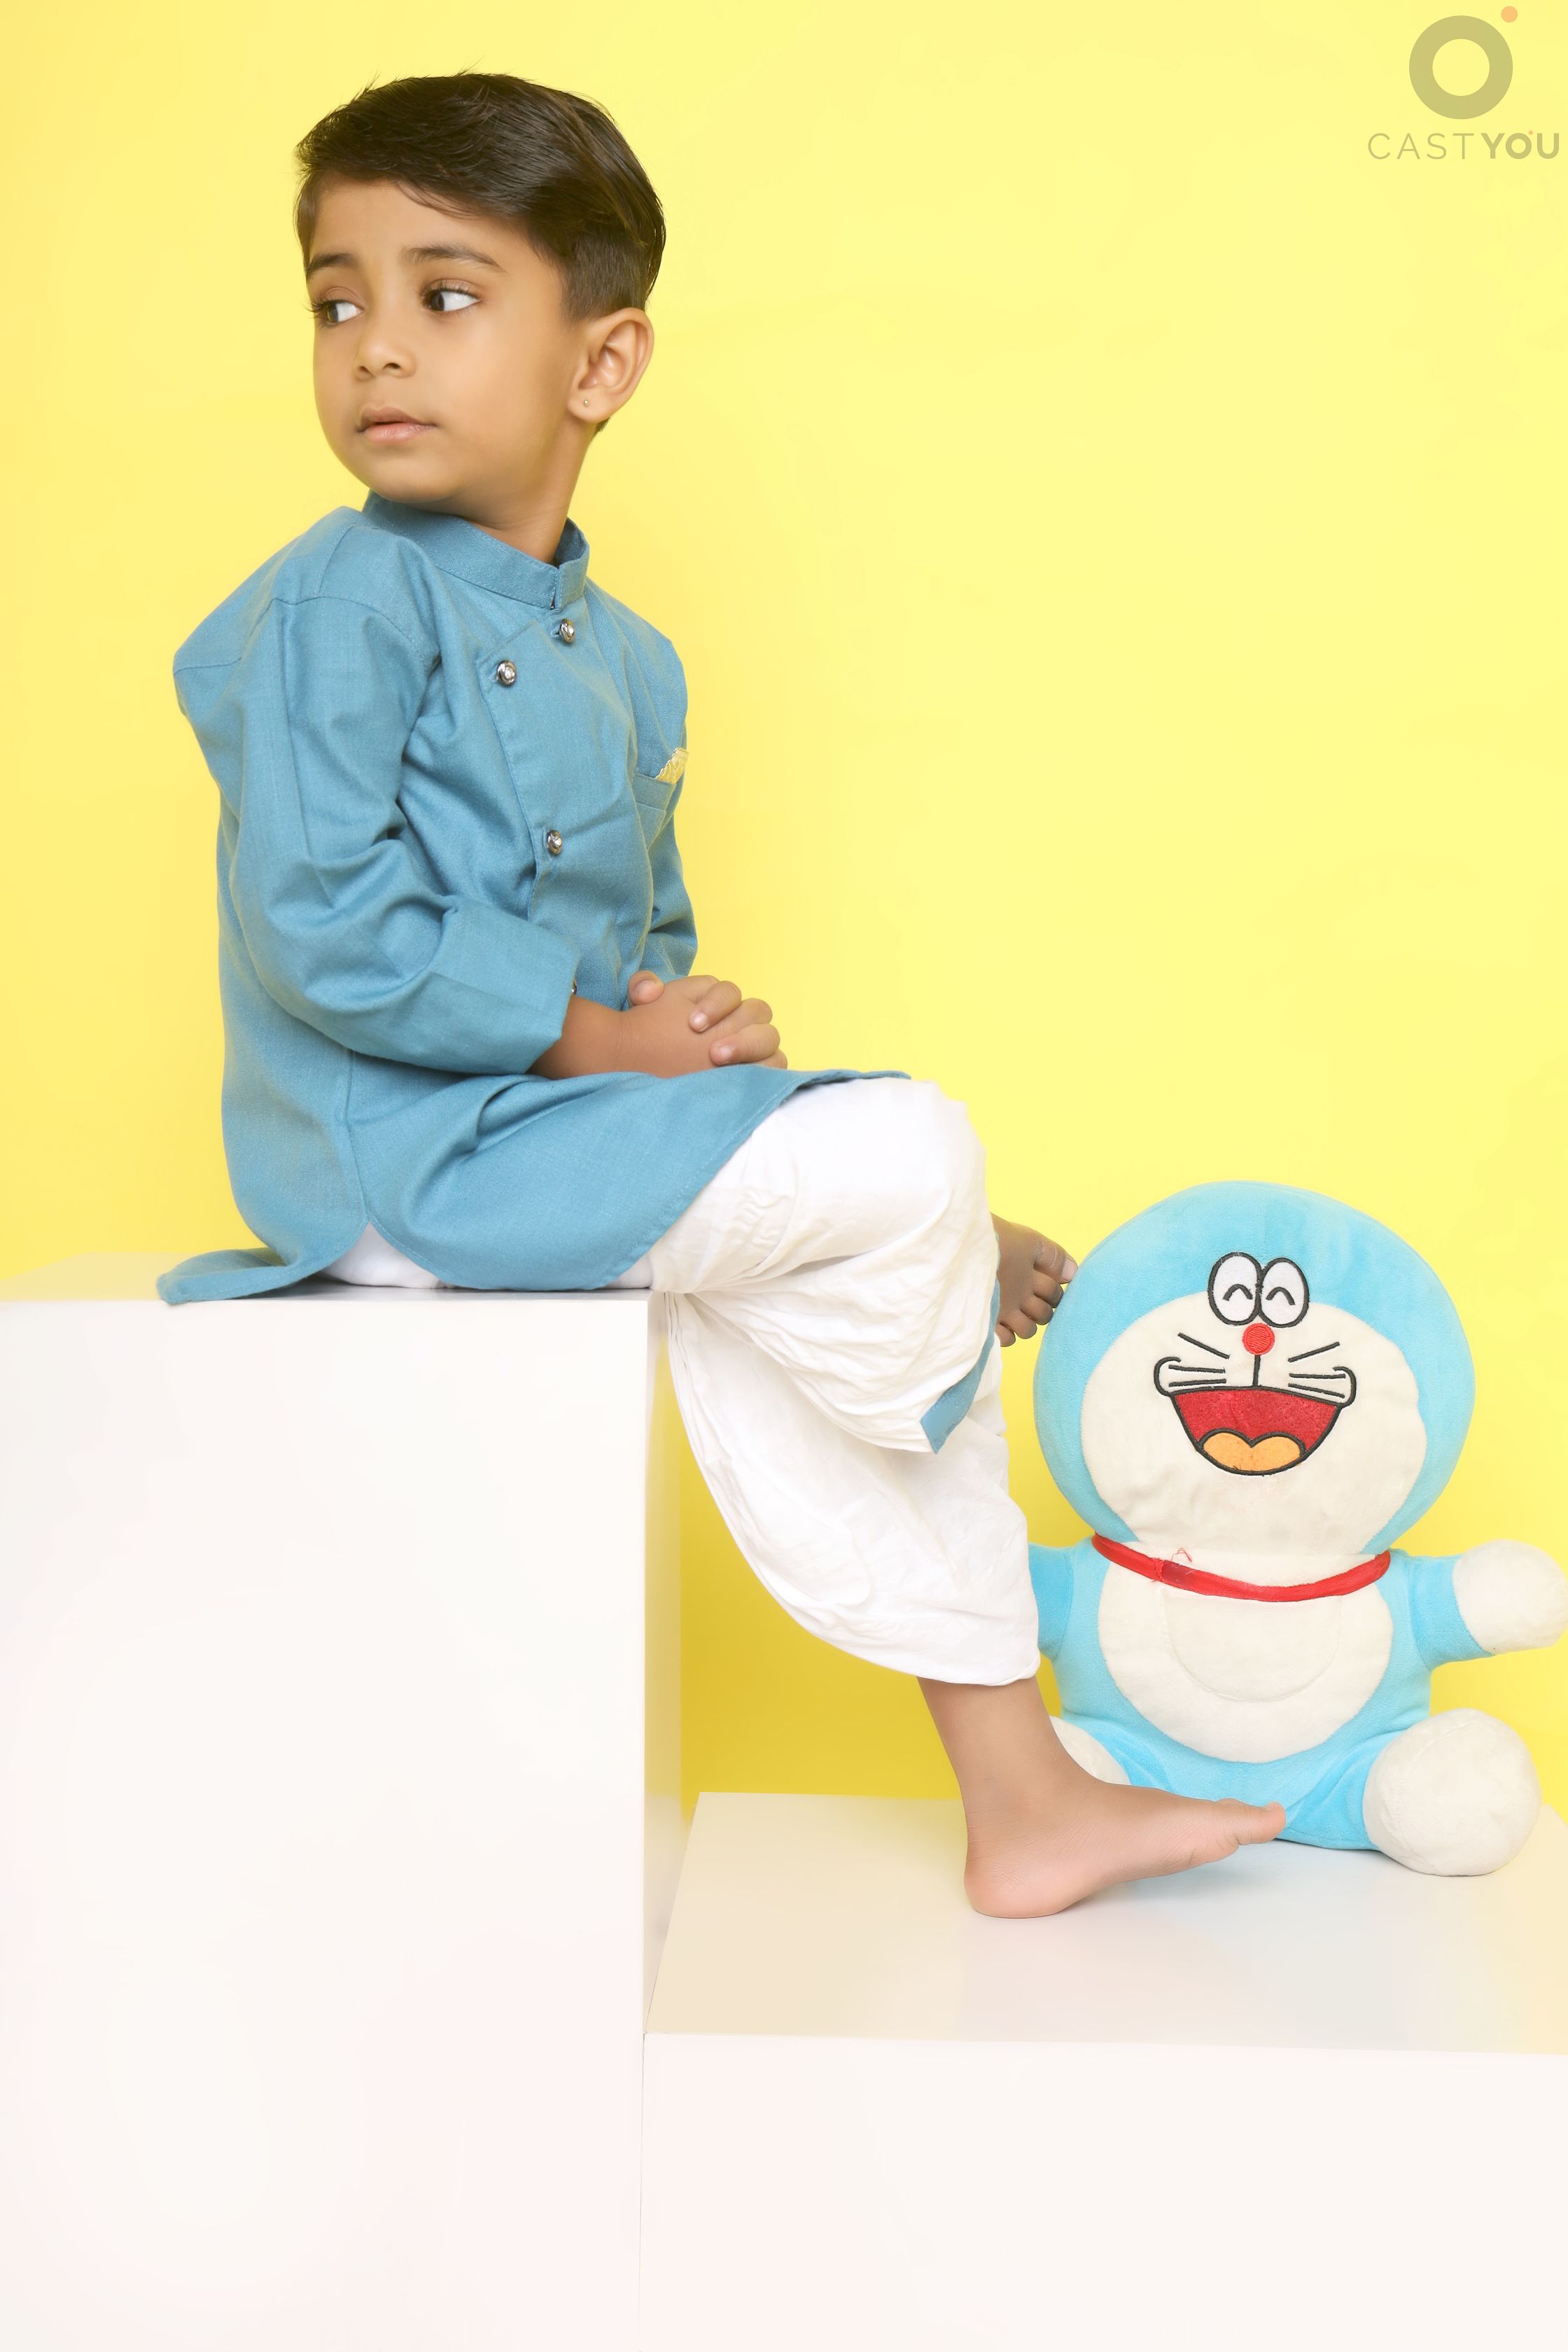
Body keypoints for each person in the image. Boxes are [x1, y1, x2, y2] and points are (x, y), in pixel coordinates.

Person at [160, 71, 1283, 1913]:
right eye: (336, 299)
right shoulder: (333, 606)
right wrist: (614, 1040)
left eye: (446, 294)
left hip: (548, 1133)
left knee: (873, 1182)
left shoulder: (635, 663)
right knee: (910, 1154)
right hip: (399, 1165)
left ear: (602, 363)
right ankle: (914, 1242)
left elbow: (645, 955)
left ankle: (1021, 1797)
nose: (377, 347)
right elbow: (328, 929)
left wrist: (691, 1038)